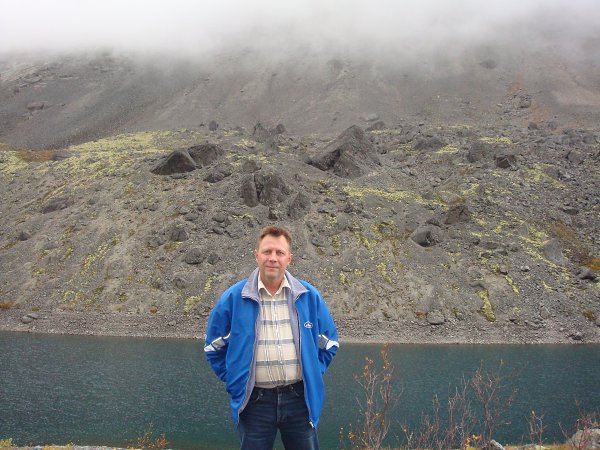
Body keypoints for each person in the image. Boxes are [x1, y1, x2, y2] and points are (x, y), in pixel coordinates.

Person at [204, 225, 339, 450]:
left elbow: (330, 344)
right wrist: (236, 379)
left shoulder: (308, 296)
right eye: (267, 252)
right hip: (254, 402)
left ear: (289, 259)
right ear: (256, 255)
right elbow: (213, 348)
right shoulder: (234, 298)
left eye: (279, 253)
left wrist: (312, 372)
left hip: (299, 400)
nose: (273, 258)